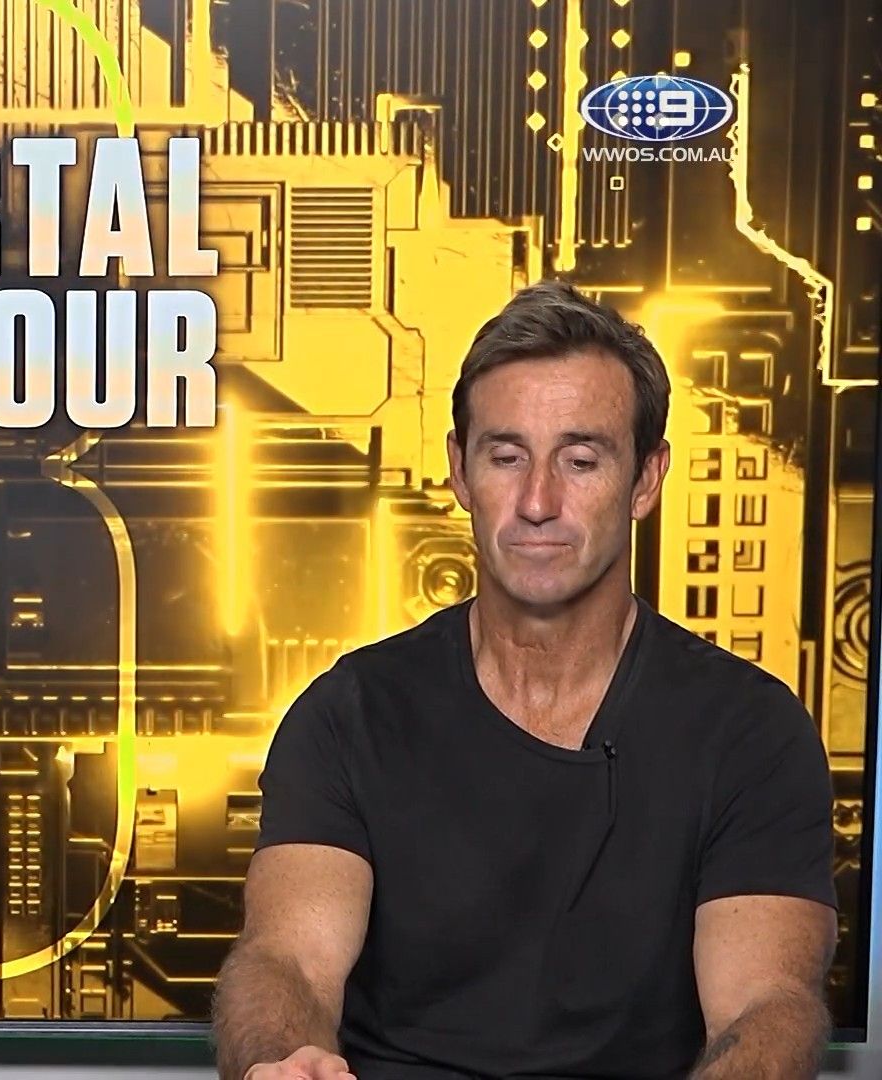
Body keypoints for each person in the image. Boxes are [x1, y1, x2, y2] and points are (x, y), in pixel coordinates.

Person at [211, 280, 837, 1079]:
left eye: (581, 460)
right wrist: (282, 1060)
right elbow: (287, 961)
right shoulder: (349, 715)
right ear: (460, 472)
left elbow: (767, 1006)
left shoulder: (751, 732)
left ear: (646, 480)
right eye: (506, 457)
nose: (538, 501)